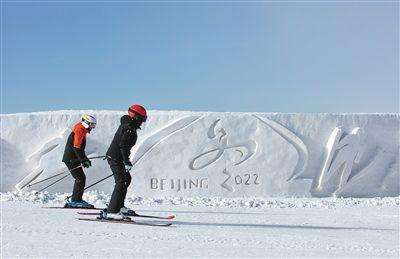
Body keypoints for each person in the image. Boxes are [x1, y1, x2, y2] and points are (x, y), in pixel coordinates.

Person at [101, 104, 147, 219]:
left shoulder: (128, 126)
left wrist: (125, 160)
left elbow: (124, 146)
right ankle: (112, 211)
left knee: (126, 179)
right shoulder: (128, 128)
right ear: (136, 117)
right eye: (142, 119)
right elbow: (123, 146)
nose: (143, 122)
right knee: (121, 181)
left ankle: (119, 206)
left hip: (117, 157)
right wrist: (126, 161)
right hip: (116, 157)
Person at [62, 114, 97, 208]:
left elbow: (80, 148)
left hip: (73, 158)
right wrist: (84, 160)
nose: (92, 127)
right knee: (80, 178)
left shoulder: (81, 129)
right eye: (92, 125)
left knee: (80, 178)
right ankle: (76, 200)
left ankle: (77, 199)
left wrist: (84, 159)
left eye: (94, 125)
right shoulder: (79, 130)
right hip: (71, 159)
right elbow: (77, 148)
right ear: (86, 123)